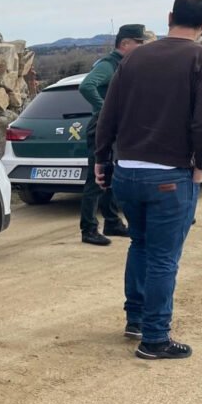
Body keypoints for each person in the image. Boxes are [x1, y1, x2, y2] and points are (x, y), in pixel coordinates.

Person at [95, 0, 202, 360]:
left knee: (140, 244)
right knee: (164, 258)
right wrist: (201, 166)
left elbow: (109, 113)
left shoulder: (134, 57)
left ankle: (136, 320)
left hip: (127, 173)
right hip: (171, 175)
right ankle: (154, 338)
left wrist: (102, 160)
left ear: (169, 16)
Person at [77, 24, 148, 246]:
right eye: (139, 43)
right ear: (125, 43)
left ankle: (112, 221)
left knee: (112, 175)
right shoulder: (108, 65)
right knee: (96, 180)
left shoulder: (124, 64)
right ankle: (88, 229)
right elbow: (87, 86)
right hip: (101, 126)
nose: (142, 46)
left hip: (115, 126)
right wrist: (106, 109)